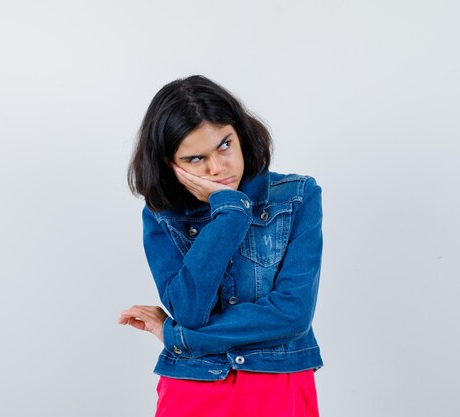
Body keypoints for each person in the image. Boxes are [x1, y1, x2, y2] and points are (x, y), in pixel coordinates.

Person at [118, 75, 324, 417]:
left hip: (277, 380)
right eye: (195, 159)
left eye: (225, 145)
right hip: (193, 385)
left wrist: (178, 337)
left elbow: (292, 316)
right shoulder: (163, 215)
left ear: (240, 133)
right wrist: (230, 211)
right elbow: (189, 310)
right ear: (170, 166)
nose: (218, 168)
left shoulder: (297, 196)